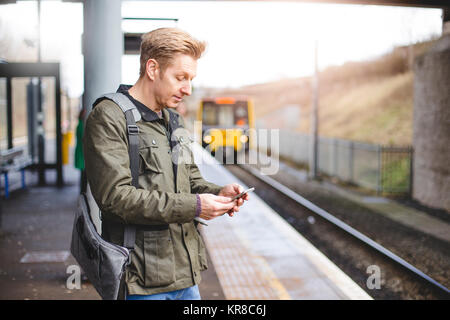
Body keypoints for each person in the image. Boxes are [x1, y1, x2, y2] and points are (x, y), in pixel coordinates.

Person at [83, 28, 249, 300]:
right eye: (180, 77)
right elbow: (116, 198)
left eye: (191, 79)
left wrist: (218, 192)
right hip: (140, 280)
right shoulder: (109, 117)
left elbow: (191, 180)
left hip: (186, 274)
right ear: (152, 68)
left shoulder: (174, 121)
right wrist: (196, 206)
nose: (188, 89)